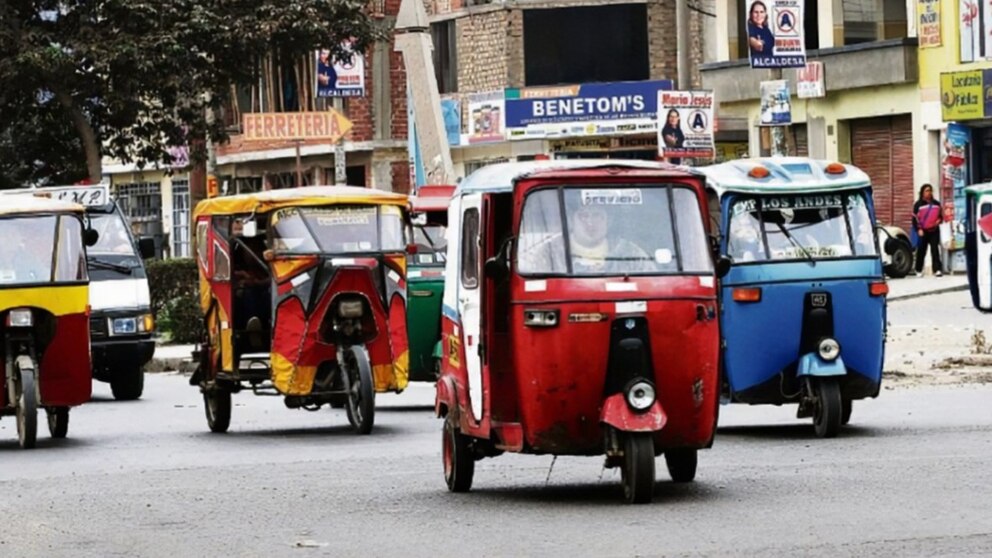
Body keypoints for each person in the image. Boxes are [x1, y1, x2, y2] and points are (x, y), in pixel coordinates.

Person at [912, 183, 944, 276]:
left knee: (935, 250)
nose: (929, 192)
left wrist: (939, 221)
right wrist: (918, 229)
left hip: (934, 230)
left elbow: (941, 216)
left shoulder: (937, 204)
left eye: (930, 190)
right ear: (922, 192)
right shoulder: (918, 205)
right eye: (927, 191)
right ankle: (918, 269)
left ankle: (937, 270)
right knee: (921, 250)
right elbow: (914, 219)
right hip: (923, 231)